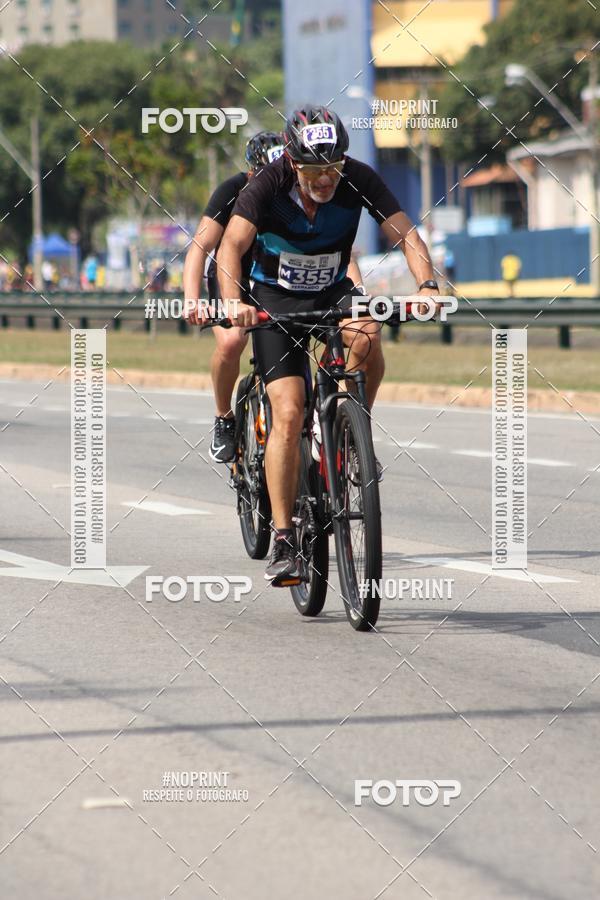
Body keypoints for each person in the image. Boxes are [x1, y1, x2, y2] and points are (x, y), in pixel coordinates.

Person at [217, 105, 440, 584]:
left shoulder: (358, 177)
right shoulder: (267, 185)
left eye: (333, 168)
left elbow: (404, 232)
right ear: (293, 164)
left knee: (368, 331)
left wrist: (427, 288)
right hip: (275, 300)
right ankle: (282, 537)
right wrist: (233, 302)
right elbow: (230, 248)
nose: (326, 179)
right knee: (290, 411)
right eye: (315, 170)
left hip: (332, 288)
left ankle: (349, 425)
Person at [183, 131, 285, 463]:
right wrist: (192, 298)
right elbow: (200, 247)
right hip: (233, 279)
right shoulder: (231, 191)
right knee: (231, 343)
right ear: (252, 171)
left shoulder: (300, 193)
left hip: (277, 282)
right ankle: (224, 417)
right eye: (265, 174)